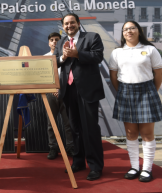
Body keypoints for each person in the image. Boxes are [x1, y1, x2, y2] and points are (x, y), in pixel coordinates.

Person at [54, 13, 105, 181]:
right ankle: (78, 161)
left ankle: (95, 166)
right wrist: (63, 56)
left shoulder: (92, 37)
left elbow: (98, 56)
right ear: (63, 26)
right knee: (74, 128)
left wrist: (77, 54)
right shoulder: (61, 42)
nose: (69, 26)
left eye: (72, 23)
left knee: (90, 129)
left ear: (78, 23)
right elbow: (55, 61)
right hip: (68, 91)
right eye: (66, 24)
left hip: (87, 91)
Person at [109, 21, 162, 182]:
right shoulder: (117, 52)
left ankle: (147, 169)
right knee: (131, 134)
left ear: (139, 31)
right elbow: (114, 76)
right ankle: (134, 167)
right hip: (125, 92)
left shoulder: (150, 50)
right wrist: (124, 91)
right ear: (122, 33)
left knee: (147, 134)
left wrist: (152, 90)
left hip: (147, 91)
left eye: (132, 28)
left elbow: (158, 73)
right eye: (126, 29)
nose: (129, 31)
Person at [44, 32, 74, 160]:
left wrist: (61, 88)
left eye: (57, 39)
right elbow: (43, 77)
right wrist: (53, 89)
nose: (54, 42)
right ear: (48, 43)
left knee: (68, 123)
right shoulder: (44, 58)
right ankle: (53, 148)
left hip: (66, 92)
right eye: (52, 40)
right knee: (52, 123)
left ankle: (70, 148)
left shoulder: (68, 56)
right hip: (51, 93)